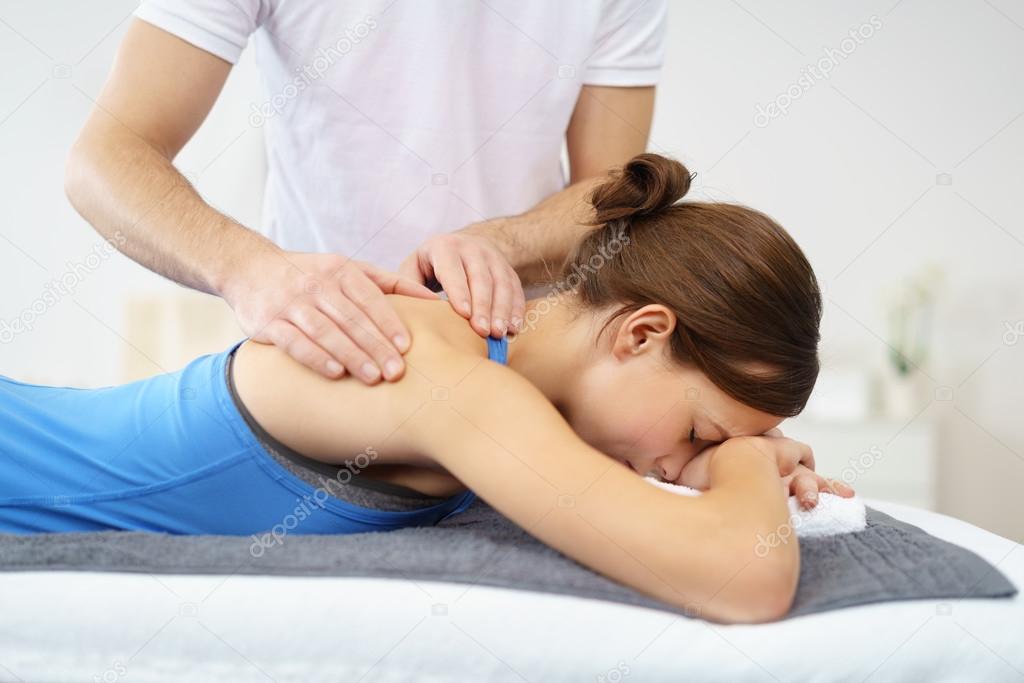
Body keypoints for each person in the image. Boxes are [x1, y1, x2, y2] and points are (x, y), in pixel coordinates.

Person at [1, 155, 853, 624]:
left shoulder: (486, 358)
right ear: (641, 332)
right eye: (699, 431)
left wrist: (724, 458)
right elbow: (746, 578)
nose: (678, 465)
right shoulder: (448, 377)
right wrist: (746, 463)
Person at [64, 0, 669, 385]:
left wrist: (497, 244)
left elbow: (615, 192)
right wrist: (251, 271)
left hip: (510, 362)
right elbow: (106, 159)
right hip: (319, 358)